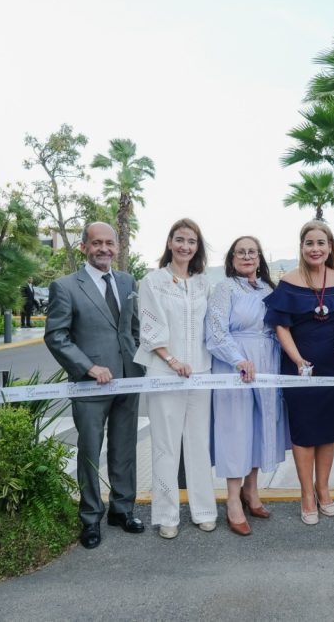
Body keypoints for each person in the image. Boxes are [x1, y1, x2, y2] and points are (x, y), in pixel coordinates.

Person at [44, 222, 144, 549]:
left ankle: (122, 509)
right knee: (90, 450)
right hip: (90, 386)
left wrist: (139, 363)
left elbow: (132, 329)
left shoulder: (128, 281)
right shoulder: (66, 286)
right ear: (84, 246)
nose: (104, 249)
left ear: (117, 247)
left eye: (109, 243)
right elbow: (56, 336)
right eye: (97, 243)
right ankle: (90, 518)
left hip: (128, 380)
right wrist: (87, 367)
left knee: (125, 448)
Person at [134, 218, 217, 539]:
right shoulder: (152, 281)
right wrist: (172, 360)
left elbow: (212, 327)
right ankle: (167, 515)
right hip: (164, 374)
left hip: (202, 375)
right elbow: (150, 329)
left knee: (198, 444)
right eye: (180, 239)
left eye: (191, 241)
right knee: (166, 447)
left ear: (197, 247)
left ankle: (204, 511)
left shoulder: (202, 283)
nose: (185, 246)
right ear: (170, 242)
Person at [264, 220, 334, 525]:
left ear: (330, 247)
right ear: (301, 247)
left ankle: (323, 489)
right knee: (304, 432)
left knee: (328, 431)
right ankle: (306, 494)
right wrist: (298, 360)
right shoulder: (289, 281)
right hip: (299, 369)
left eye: (321, 243)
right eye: (309, 243)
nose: (315, 249)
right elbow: (280, 326)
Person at [204, 236, 289, 536]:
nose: (247, 256)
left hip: (267, 362)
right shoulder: (224, 289)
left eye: (252, 252)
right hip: (235, 365)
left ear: (260, 257)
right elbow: (215, 331)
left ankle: (251, 492)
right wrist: (238, 359)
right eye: (241, 252)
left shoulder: (269, 289)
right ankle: (232, 500)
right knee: (236, 429)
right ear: (232, 258)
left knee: (259, 427)